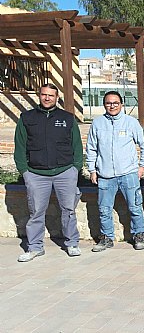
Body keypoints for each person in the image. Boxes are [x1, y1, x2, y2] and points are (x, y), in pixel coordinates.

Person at [14, 83, 83, 262]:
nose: (47, 98)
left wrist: (75, 168)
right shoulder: (27, 118)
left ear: (57, 97)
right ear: (39, 95)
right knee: (36, 211)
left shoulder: (67, 118)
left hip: (65, 172)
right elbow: (20, 146)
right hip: (36, 174)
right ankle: (35, 247)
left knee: (68, 209)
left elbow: (76, 145)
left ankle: (72, 243)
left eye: (51, 95)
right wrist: (25, 171)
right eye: (44, 95)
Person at [86, 91, 144, 252]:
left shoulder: (130, 123)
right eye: (108, 103)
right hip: (105, 175)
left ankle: (139, 235)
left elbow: (143, 145)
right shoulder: (98, 124)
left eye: (115, 103)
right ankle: (106, 238)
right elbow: (91, 148)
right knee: (104, 209)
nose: (112, 106)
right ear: (104, 105)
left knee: (135, 206)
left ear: (121, 104)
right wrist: (92, 170)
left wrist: (142, 167)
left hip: (129, 174)